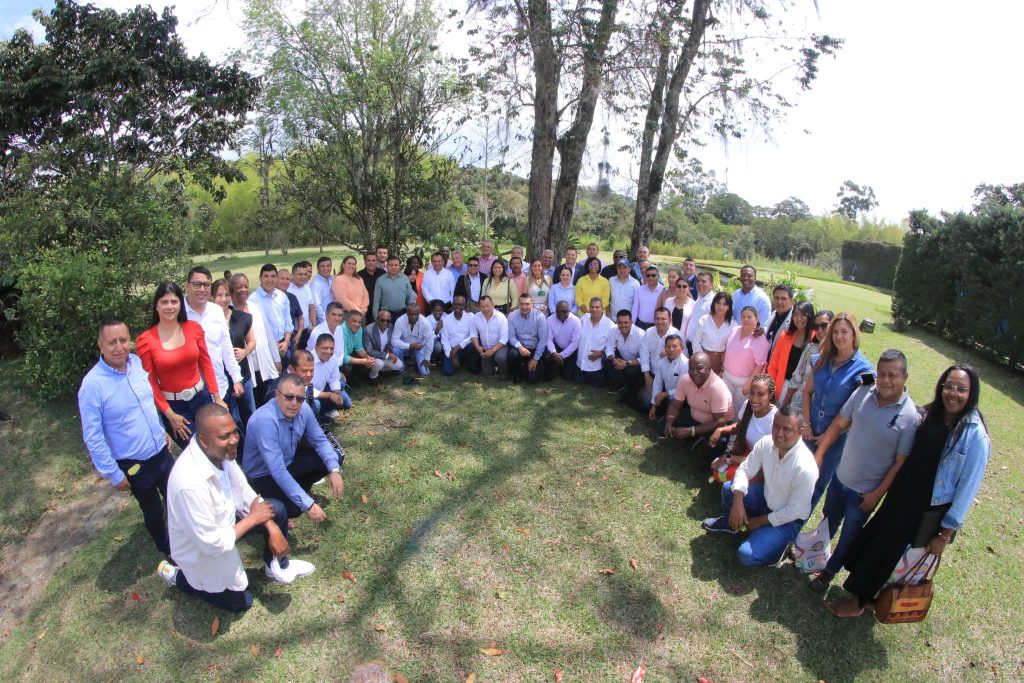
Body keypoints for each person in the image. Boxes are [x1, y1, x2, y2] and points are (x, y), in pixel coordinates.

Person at [828, 364, 991, 618]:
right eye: (948, 386)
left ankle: (858, 603)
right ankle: (870, 599)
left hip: (923, 508)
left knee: (888, 552)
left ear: (972, 394)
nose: (953, 393)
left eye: (961, 389)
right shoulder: (931, 413)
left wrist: (945, 534)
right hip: (900, 495)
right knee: (878, 543)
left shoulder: (975, 435)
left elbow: (967, 490)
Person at [159, 404, 313, 612]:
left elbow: (245, 493)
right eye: (225, 436)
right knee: (242, 602)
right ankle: (178, 576)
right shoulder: (188, 484)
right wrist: (253, 519)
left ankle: (276, 565)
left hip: (227, 524)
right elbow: (211, 545)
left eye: (234, 432)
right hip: (202, 549)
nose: (234, 440)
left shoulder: (220, 453)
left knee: (276, 509)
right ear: (203, 441)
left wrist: (273, 528)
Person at [808, 349, 919, 593]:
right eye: (882, 374)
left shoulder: (910, 418)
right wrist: (821, 452)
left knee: (849, 536)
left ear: (905, 377)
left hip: (863, 494)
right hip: (840, 479)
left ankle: (828, 572)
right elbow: (839, 423)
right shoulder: (863, 391)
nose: (885, 380)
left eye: (892, 375)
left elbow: (899, 463)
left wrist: (876, 494)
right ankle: (815, 554)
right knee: (828, 520)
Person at [79, 316, 174, 557]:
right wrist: (113, 473)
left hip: (160, 451)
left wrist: (161, 429)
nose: (119, 347)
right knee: (153, 511)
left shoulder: (136, 363)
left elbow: (147, 403)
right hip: (135, 464)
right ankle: (167, 549)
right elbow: (93, 436)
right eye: (112, 342)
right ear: (100, 345)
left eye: (123, 340)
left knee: (176, 497)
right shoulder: (92, 386)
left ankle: (185, 535)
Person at [702, 406, 818, 567]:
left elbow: (795, 511)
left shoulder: (805, 467)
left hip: (788, 520)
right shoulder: (766, 442)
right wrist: (737, 501)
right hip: (765, 497)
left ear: (800, 431)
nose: (779, 433)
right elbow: (744, 469)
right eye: (776, 426)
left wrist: (759, 521)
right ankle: (730, 524)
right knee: (730, 489)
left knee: (746, 555)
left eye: (787, 429)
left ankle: (778, 549)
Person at [242, 373, 345, 520]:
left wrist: (334, 470)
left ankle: (301, 490)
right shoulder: (264, 421)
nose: (294, 403)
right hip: (263, 475)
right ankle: (290, 496)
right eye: (289, 397)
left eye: (300, 398)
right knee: (295, 509)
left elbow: (320, 441)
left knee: (334, 457)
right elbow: (277, 470)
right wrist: (308, 505)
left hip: (288, 463)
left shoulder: (304, 409)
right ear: (277, 395)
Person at [801, 312, 874, 507]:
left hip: (836, 439)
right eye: (835, 332)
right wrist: (806, 423)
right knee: (798, 474)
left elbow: (857, 413)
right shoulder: (821, 359)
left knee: (816, 483)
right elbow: (807, 392)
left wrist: (829, 436)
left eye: (844, 332)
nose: (839, 336)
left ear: (854, 335)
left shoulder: (864, 370)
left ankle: (796, 521)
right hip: (810, 430)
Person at [136, 282, 221, 448]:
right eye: (164, 302)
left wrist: (216, 397)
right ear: (156, 306)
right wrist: (169, 415)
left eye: (174, 301)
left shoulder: (194, 328)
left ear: (180, 304)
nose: (170, 306)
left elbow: (206, 363)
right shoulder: (146, 340)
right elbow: (150, 382)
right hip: (175, 409)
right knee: (196, 452)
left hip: (202, 399)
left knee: (215, 446)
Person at [184, 267, 244, 426]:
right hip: (194, 393)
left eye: (206, 285)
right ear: (187, 285)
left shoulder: (216, 311)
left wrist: (236, 378)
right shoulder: (178, 313)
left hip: (221, 386)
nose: (202, 289)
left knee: (233, 430)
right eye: (197, 284)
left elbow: (226, 348)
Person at [709, 374, 779, 474]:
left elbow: (763, 459)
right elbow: (739, 427)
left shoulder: (774, 420)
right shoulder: (748, 405)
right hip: (747, 451)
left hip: (761, 463)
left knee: (726, 474)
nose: (754, 399)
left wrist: (728, 458)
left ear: (770, 395)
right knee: (719, 471)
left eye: (760, 394)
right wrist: (720, 430)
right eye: (752, 393)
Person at [229, 273, 281, 406]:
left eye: (246, 286)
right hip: (246, 369)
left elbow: (268, 334)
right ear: (231, 288)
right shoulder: (228, 311)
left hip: (264, 364)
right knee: (254, 405)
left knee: (270, 400)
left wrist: (276, 359)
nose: (243, 290)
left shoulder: (255, 306)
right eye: (239, 287)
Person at [659, 352, 734, 441]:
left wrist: (692, 430)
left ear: (709, 368)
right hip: (693, 416)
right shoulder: (685, 380)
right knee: (664, 423)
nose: (694, 372)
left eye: (699, 368)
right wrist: (669, 423)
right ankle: (692, 438)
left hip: (714, 424)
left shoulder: (717, 388)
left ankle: (694, 437)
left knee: (718, 442)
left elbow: (720, 421)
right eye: (691, 369)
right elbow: (675, 406)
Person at [212, 279, 257, 427]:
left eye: (227, 295)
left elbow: (252, 341)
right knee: (232, 420)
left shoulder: (242, 317)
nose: (223, 299)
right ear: (212, 297)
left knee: (250, 415)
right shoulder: (208, 321)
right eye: (219, 295)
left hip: (243, 375)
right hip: (221, 379)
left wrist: (245, 351)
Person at [781, 309, 833, 412]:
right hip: (797, 407)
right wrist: (784, 407)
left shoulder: (836, 356)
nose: (819, 330)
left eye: (824, 326)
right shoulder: (810, 348)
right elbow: (796, 378)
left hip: (817, 411)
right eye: (816, 326)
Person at [722, 306, 770, 411]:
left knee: (739, 409)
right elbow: (727, 351)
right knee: (725, 406)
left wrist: (749, 384)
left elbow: (760, 365)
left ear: (756, 319)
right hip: (727, 377)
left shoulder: (761, 339)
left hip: (744, 382)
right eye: (743, 317)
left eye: (749, 317)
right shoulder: (734, 330)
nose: (745, 319)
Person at [766, 301, 815, 402]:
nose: (799, 318)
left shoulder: (815, 339)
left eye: (803, 315)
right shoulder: (785, 336)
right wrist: (772, 387)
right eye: (795, 314)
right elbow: (773, 365)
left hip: (802, 392)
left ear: (810, 316)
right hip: (780, 386)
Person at [251, 264, 294, 359]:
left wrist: (286, 342)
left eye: (273, 276)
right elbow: (254, 329)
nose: (270, 280)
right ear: (260, 278)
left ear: (277, 278)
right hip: (264, 348)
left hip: (283, 346)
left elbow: (288, 322)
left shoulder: (282, 296)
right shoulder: (253, 300)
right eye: (266, 276)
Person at [506, 293, 549, 384]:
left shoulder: (540, 317)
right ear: (518, 304)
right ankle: (518, 372)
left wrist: (535, 359)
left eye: (527, 304)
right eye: (521, 304)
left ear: (532, 304)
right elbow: (511, 337)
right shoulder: (512, 316)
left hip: (534, 349)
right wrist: (519, 347)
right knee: (512, 354)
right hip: (520, 348)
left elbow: (543, 340)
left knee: (532, 380)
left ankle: (528, 366)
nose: (524, 307)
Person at [691, 291, 734, 376]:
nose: (720, 306)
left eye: (724, 304)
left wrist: (723, 368)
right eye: (718, 303)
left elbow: (731, 347)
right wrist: (701, 358)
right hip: (704, 357)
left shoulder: (733, 324)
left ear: (729, 307)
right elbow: (696, 340)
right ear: (714, 304)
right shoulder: (704, 320)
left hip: (722, 361)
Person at [646, 334, 689, 419]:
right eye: (668, 346)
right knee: (647, 404)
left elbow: (682, 389)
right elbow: (657, 383)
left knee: (670, 403)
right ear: (664, 348)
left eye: (675, 346)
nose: (671, 349)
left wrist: (664, 394)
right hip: (666, 394)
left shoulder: (685, 364)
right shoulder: (661, 362)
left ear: (682, 348)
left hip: (681, 397)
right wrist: (654, 404)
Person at [575, 297, 615, 387]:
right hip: (580, 365)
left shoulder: (610, 325)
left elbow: (613, 346)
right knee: (577, 381)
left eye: (597, 307)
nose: (594, 310)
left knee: (598, 386)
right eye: (592, 307)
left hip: (596, 367)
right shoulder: (584, 318)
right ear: (589, 308)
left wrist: (601, 353)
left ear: (602, 308)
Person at [605, 309, 644, 399]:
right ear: (617, 322)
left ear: (631, 322)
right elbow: (609, 347)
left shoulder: (641, 335)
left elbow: (644, 358)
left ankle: (627, 386)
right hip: (620, 359)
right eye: (620, 322)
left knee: (631, 372)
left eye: (626, 322)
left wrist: (627, 363)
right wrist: (614, 360)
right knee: (605, 360)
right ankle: (620, 382)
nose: (623, 325)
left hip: (634, 362)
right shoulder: (613, 330)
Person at [639, 307, 680, 392]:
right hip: (652, 372)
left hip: (669, 377)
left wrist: (671, 354)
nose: (660, 322)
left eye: (663, 319)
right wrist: (647, 376)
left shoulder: (677, 335)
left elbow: (683, 359)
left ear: (670, 320)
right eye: (657, 318)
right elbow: (644, 353)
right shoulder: (649, 332)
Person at [311, 339, 352, 417]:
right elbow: (306, 389)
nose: (329, 351)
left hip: (323, 389)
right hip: (309, 394)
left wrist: (336, 395)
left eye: (331, 348)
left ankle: (324, 410)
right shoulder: (308, 360)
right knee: (316, 405)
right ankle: (316, 418)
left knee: (347, 403)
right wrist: (329, 395)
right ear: (316, 347)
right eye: (325, 348)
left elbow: (334, 379)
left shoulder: (333, 358)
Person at [471, 296, 509, 379]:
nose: (485, 309)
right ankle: (495, 368)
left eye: (487, 306)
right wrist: (478, 347)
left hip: (500, 347)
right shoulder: (476, 317)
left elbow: (504, 338)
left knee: (500, 358)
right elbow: (473, 334)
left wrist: (492, 351)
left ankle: (503, 372)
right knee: (487, 373)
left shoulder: (501, 317)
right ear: (479, 307)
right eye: (482, 307)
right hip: (485, 348)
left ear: (493, 305)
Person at [392, 302, 434, 376]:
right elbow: (393, 341)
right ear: (407, 313)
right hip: (405, 347)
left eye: (416, 314)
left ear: (419, 313)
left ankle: (416, 362)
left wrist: (427, 358)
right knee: (395, 349)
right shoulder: (400, 321)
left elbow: (430, 342)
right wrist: (409, 346)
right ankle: (401, 369)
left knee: (425, 373)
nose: (414, 317)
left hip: (419, 348)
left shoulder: (425, 323)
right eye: (411, 314)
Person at [440, 295, 478, 376]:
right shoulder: (446, 320)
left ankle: (468, 364)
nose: (458, 307)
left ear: (465, 306)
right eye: (456, 304)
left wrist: (458, 347)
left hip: (467, 347)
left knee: (474, 346)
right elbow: (445, 340)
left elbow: (473, 335)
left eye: (461, 305)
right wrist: (451, 356)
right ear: (453, 304)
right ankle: (458, 360)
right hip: (452, 349)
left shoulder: (471, 316)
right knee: (447, 372)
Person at [362, 310, 406, 379]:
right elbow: (369, 351)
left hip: (384, 355)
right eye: (382, 320)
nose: (385, 323)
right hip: (373, 357)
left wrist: (388, 350)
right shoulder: (368, 330)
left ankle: (381, 371)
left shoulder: (390, 327)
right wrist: (387, 355)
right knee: (380, 363)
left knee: (399, 365)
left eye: (388, 321)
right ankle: (372, 376)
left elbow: (391, 342)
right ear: (377, 319)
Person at [545, 300, 582, 381]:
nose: (561, 313)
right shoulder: (550, 320)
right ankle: (555, 366)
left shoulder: (576, 321)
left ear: (569, 311)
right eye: (559, 311)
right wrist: (554, 353)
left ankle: (559, 365)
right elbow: (548, 339)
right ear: (555, 311)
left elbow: (575, 343)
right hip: (556, 348)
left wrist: (561, 355)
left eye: (564, 311)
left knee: (567, 376)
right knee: (548, 376)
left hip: (570, 350)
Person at [373, 256, 417, 321]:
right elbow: (376, 300)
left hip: (402, 313)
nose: (393, 267)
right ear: (387, 266)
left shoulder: (405, 278)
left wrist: (411, 312)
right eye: (391, 265)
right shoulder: (380, 280)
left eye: (396, 265)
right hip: (385, 314)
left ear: (399, 266)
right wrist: (375, 316)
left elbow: (410, 296)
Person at [340, 309, 377, 381]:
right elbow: (343, 358)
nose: (357, 324)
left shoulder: (359, 329)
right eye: (354, 321)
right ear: (347, 320)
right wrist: (363, 361)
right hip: (338, 360)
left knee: (366, 360)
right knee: (347, 368)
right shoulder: (341, 331)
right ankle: (345, 381)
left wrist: (368, 358)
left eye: (359, 322)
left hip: (348, 354)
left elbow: (359, 348)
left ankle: (354, 378)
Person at [288, 261, 318, 349]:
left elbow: (311, 307)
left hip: (306, 331)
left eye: (305, 274)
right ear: (292, 275)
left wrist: (314, 325)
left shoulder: (307, 288)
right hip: (293, 332)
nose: (304, 277)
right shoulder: (288, 289)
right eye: (300, 274)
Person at [685, 271, 717, 355]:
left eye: (703, 281)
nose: (699, 283)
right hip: (691, 344)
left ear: (711, 285)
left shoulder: (714, 303)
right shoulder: (699, 298)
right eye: (698, 281)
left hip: (700, 348)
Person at [276, 267, 305, 357]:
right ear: (276, 279)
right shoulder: (269, 298)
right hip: (274, 342)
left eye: (287, 279)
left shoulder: (292, 298)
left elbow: (301, 318)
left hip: (290, 342)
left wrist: (298, 334)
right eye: (282, 279)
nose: (285, 282)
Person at [762, 284, 795, 353]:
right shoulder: (773, 314)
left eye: (783, 299)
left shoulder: (794, 321)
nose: (779, 302)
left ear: (791, 301)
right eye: (776, 298)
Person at [632, 265, 664, 330]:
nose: (650, 277)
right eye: (648, 275)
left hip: (656, 326)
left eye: (653, 275)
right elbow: (635, 308)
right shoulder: (640, 290)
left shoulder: (663, 291)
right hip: (640, 325)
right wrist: (632, 325)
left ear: (658, 276)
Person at [309, 256, 335, 325]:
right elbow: (317, 306)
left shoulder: (332, 279)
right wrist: (327, 322)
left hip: (334, 319)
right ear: (318, 268)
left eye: (328, 266)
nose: (325, 268)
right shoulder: (315, 284)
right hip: (323, 322)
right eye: (322, 266)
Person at [357, 253, 383, 318]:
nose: (371, 263)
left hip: (381, 309)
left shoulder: (383, 273)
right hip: (365, 310)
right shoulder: (358, 276)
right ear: (364, 262)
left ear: (377, 261)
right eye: (368, 260)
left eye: (373, 260)